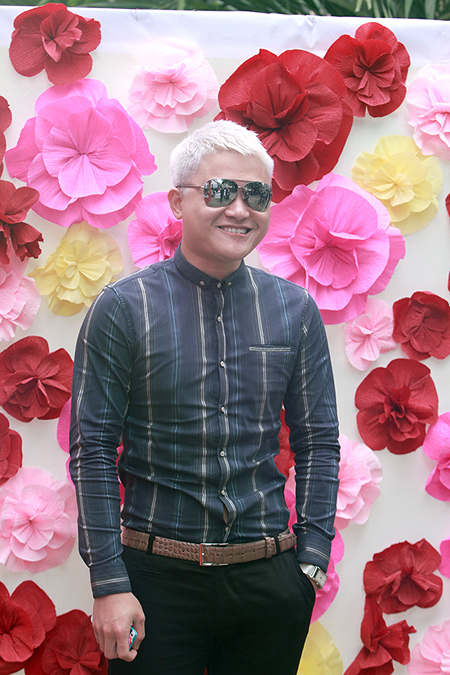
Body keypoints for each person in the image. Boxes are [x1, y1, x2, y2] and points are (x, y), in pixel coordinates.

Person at [69, 119, 340, 675]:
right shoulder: (123, 308)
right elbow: (92, 450)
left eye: (256, 194)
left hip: (269, 585)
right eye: (219, 191)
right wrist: (110, 582)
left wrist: (311, 560)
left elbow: (318, 442)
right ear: (177, 201)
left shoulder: (294, 310)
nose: (240, 209)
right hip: (155, 586)